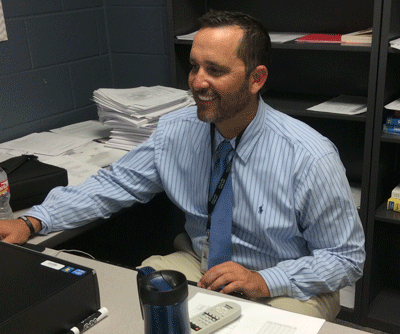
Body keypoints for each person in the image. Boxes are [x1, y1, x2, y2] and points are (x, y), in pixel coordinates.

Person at [0, 10, 365, 321]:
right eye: (194, 67)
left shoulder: (309, 155)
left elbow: (346, 258)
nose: (197, 82)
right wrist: (34, 220)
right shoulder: (176, 132)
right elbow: (112, 185)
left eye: (215, 70)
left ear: (256, 79)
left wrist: (264, 281)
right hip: (202, 264)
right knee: (139, 304)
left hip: (286, 279)